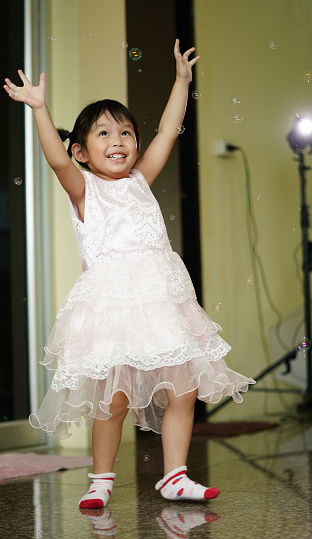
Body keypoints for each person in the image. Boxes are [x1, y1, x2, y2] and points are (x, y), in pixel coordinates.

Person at [4, 39, 255, 510]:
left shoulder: (140, 179)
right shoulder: (84, 190)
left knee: (184, 389)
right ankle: (101, 480)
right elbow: (55, 159)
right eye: (103, 134)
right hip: (113, 308)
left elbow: (167, 130)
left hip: (162, 302)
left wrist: (181, 81)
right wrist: (39, 109)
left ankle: (175, 477)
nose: (117, 141)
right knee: (113, 399)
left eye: (125, 133)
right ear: (81, 151)